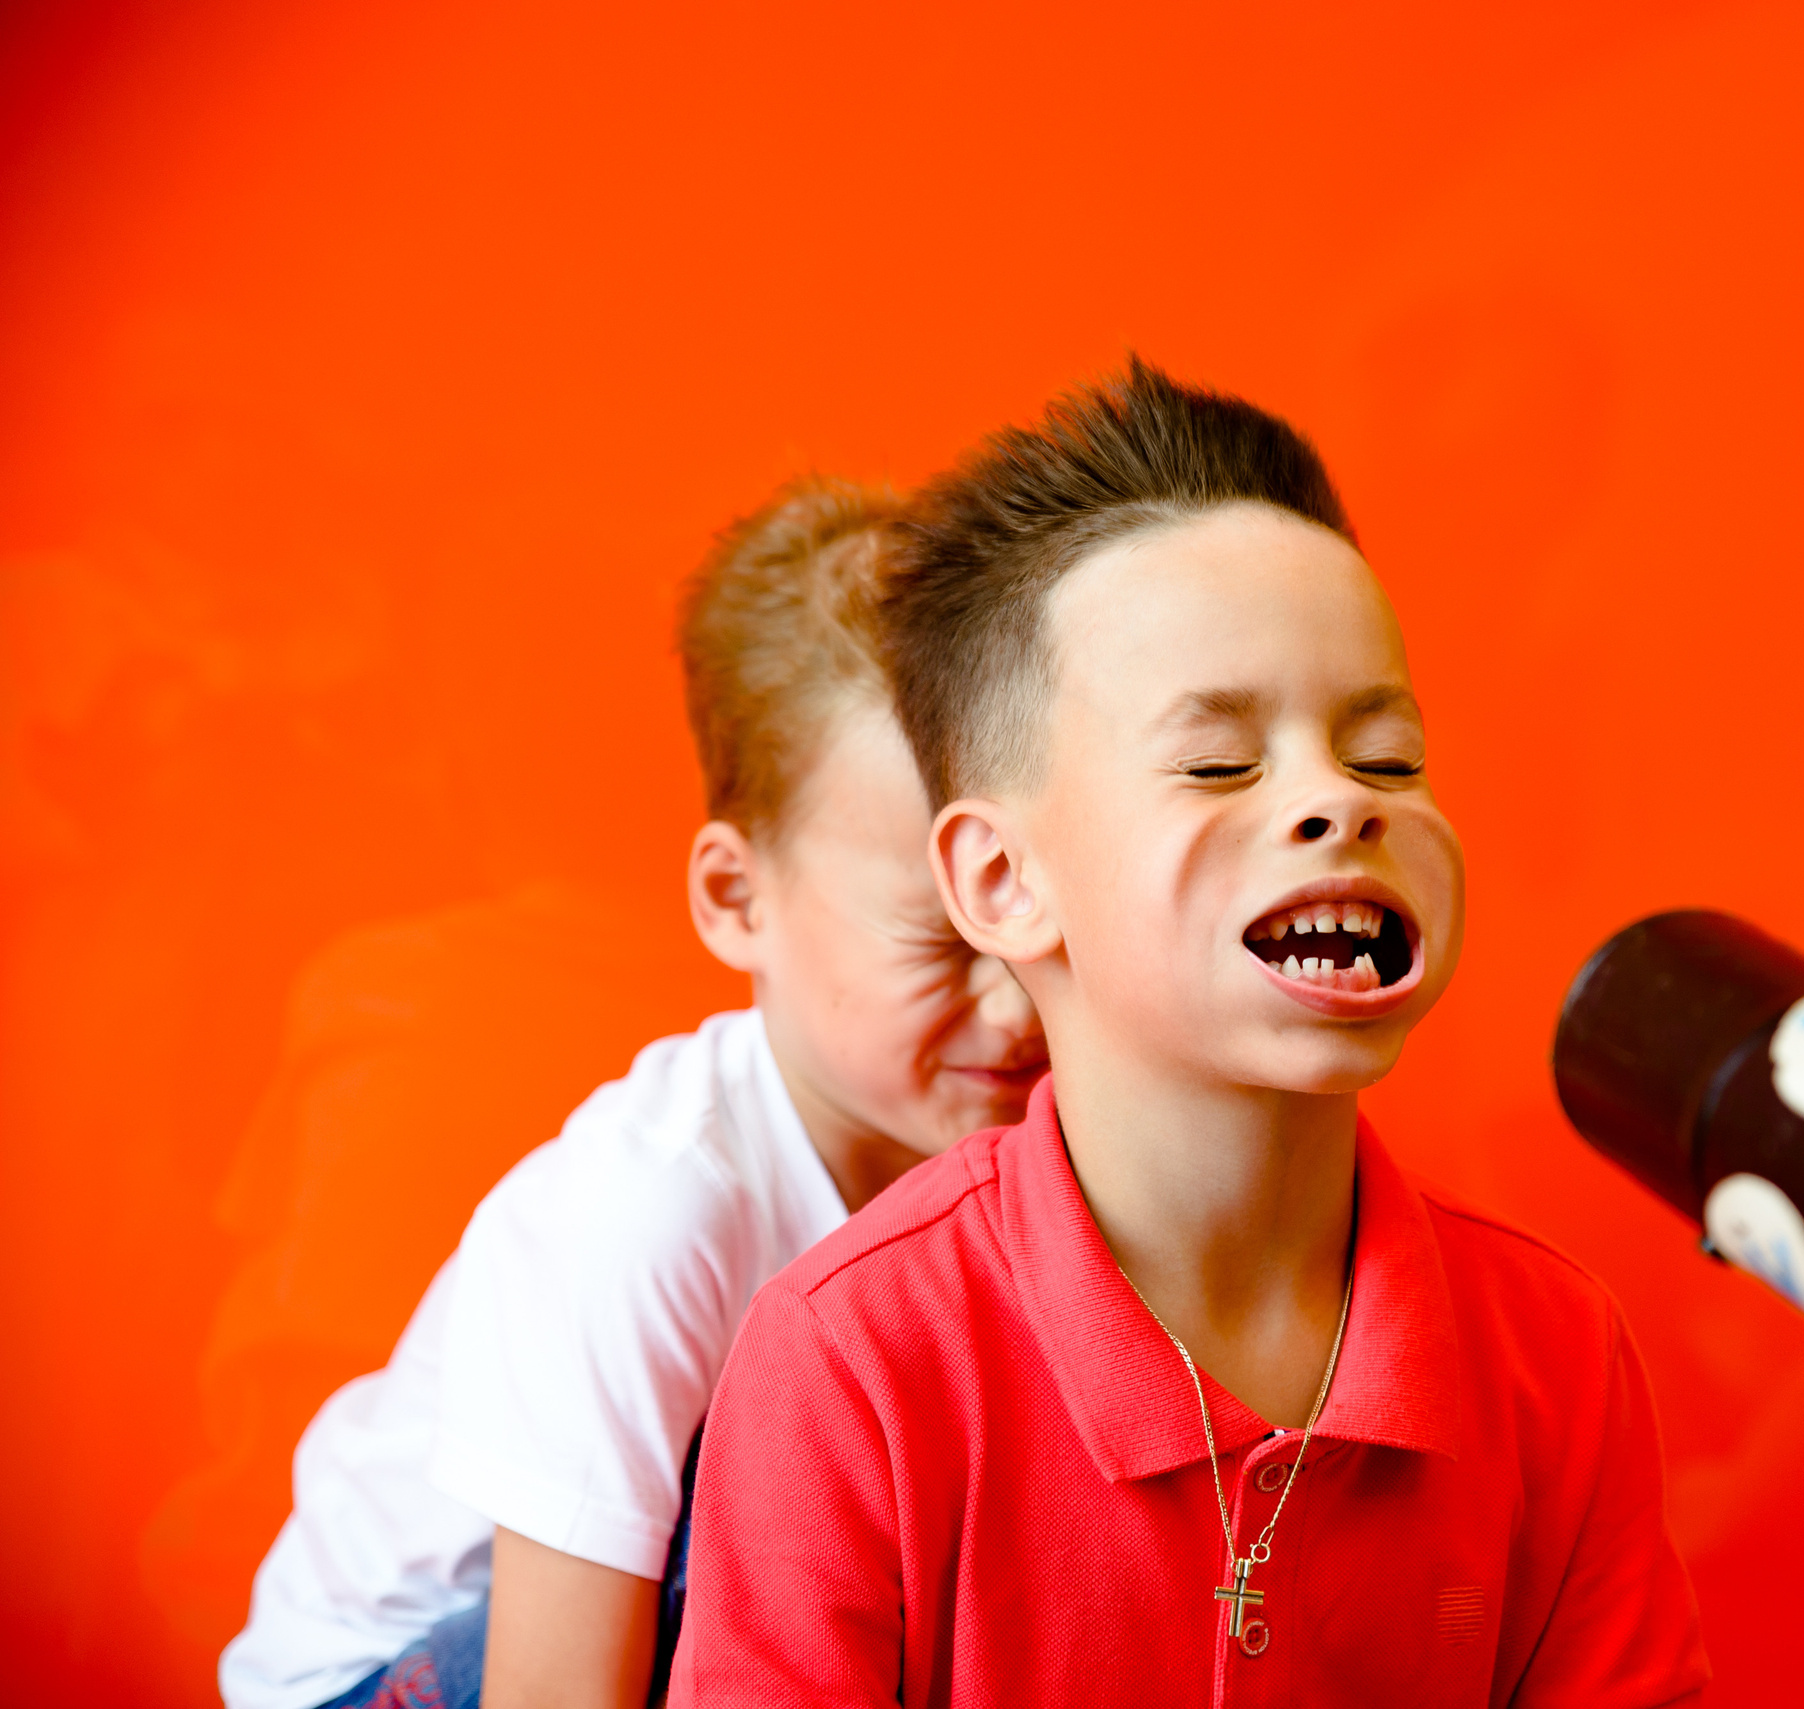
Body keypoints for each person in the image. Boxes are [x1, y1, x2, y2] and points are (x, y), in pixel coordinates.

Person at [671, 360, 1709, 1706]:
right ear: (1002, 880)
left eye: (1385, 754)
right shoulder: (849, 1358)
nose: (1339, 801)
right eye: (1221, 762)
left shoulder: (1555, 1350)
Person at [219, 479, 1049, 1709]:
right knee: (775, 1501)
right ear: (736, 899)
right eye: (940, 940)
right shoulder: (645, 1215)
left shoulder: (1022, 1149)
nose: (1020, 1003)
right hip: (390, 1676)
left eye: (1039, 915)